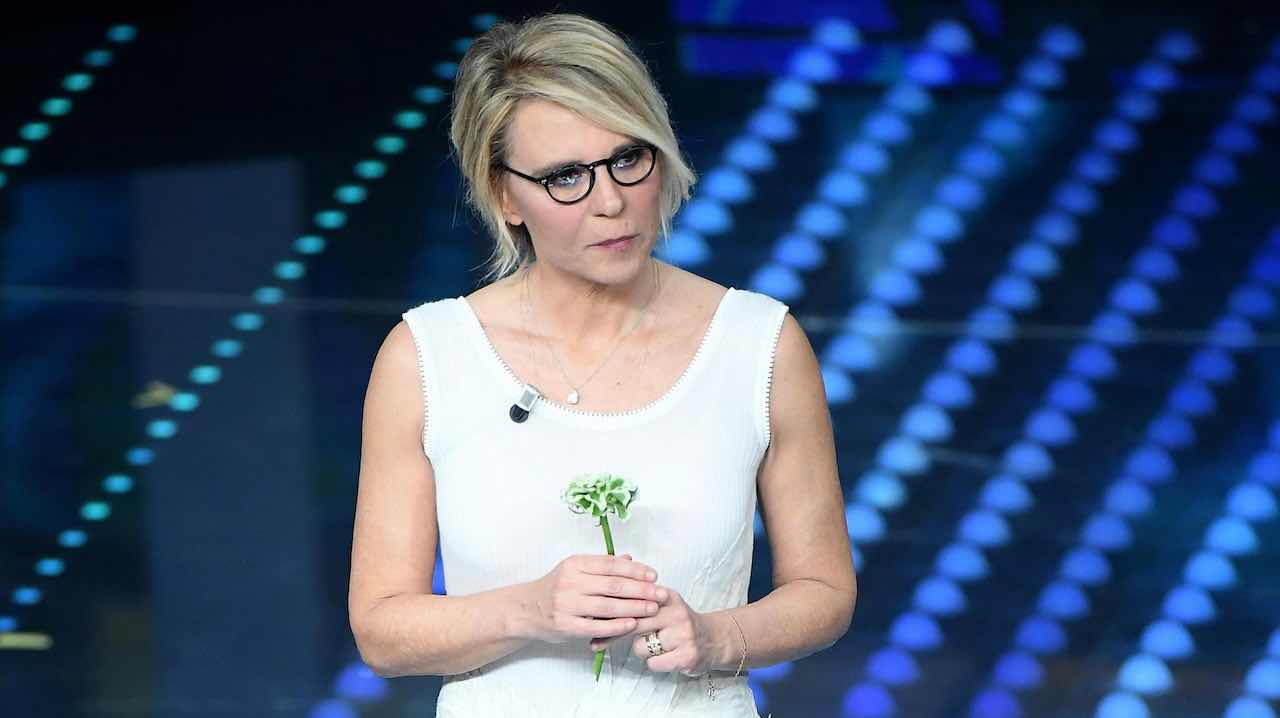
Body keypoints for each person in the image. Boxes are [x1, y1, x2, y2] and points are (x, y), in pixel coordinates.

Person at [348, 12, 855, 717]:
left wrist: (716, 636)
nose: (611, 201)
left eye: (628, 158)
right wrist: (530, 609)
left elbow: (825, 592)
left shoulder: (758, 343)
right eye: (565, 177)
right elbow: (381, 631)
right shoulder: (428, 356)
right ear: (503, 194)